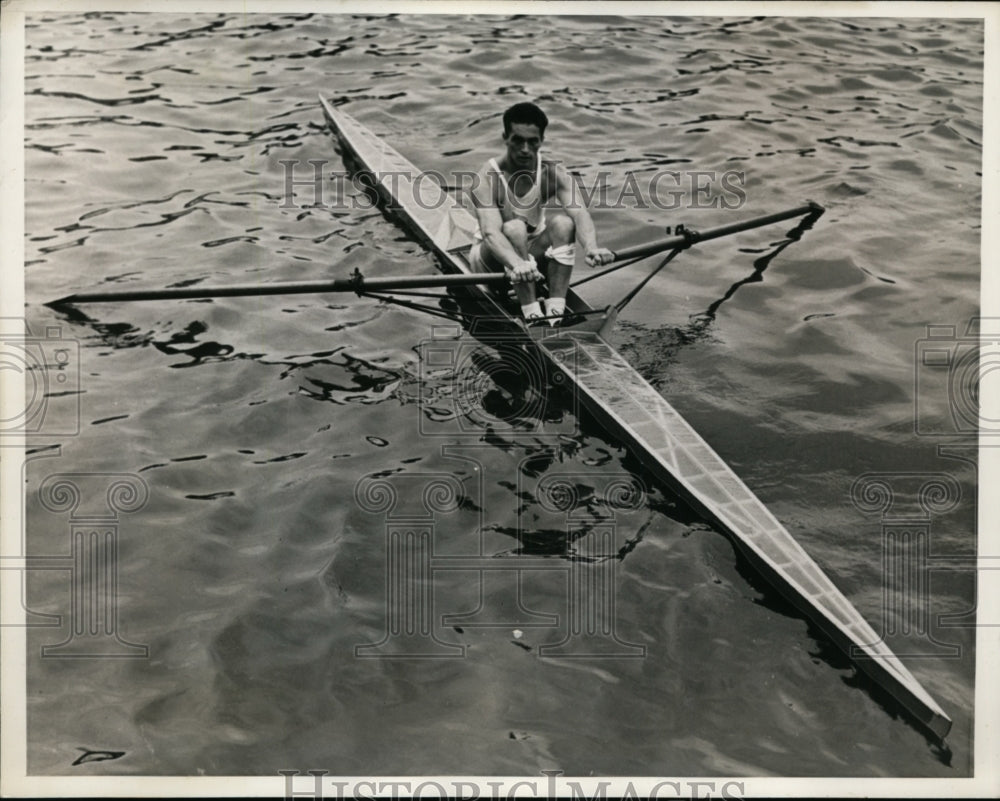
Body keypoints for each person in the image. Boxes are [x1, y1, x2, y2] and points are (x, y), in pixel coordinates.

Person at [469, 102, 614, 325]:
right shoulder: (487, 177)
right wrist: (517, 263)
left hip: (531, 260)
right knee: (515, 227)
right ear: (505, 138)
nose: (525, 149)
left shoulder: (553, 172)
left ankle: (555, 314)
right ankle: (532, 316)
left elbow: (580, 214)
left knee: (564, 224)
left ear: (541, 141)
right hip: (492, 260)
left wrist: (592, 247)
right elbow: (490, 233)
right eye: (518, 140)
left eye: (532, 141)